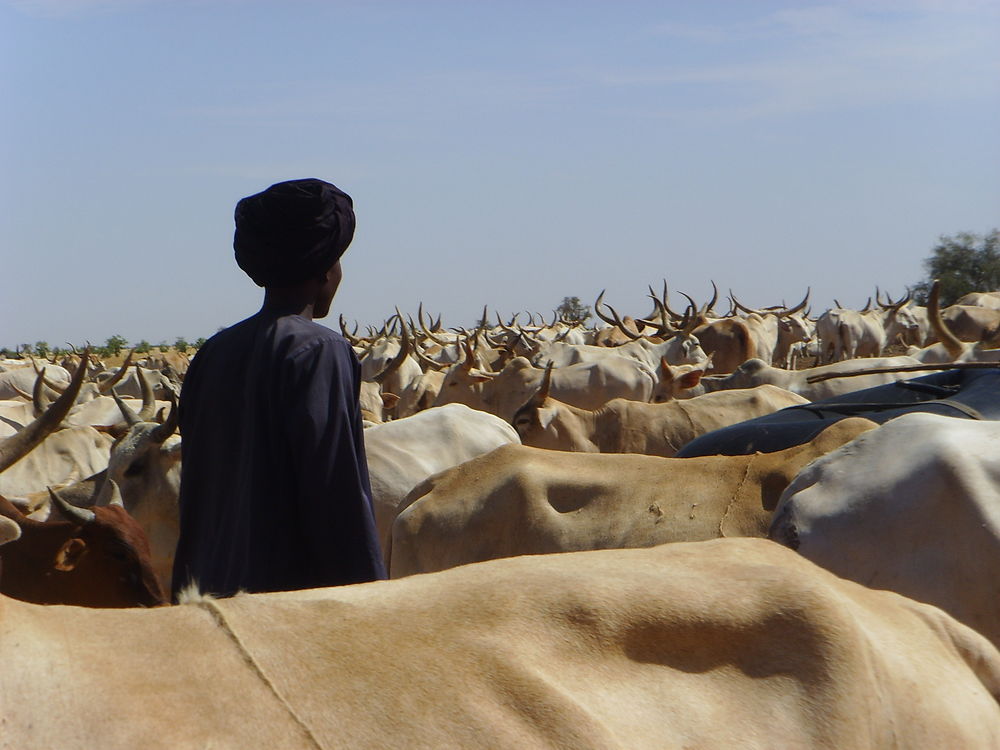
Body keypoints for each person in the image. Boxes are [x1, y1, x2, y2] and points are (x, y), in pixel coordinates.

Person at [171, 178, 386, 598]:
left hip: (211, 604)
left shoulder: (213, 353)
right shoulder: (320, 350)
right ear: (326, 268)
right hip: (288, 614)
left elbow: (196, 499)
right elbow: (336, 496)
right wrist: (371, 604)